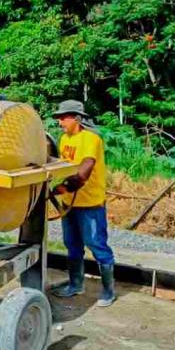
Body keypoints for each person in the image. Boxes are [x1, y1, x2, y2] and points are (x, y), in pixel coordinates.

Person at [52, 99, 116, 307]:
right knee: (72, 244)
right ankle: (75, 284)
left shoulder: (91, 139)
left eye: (63, 117)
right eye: (59, 118)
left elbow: (84, 171)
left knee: (96, 244)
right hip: (70, 203)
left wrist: (65, 187)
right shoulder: (63, 139)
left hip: (90, 203)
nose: (60, 121)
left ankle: (108, 292)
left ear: (77, 118)